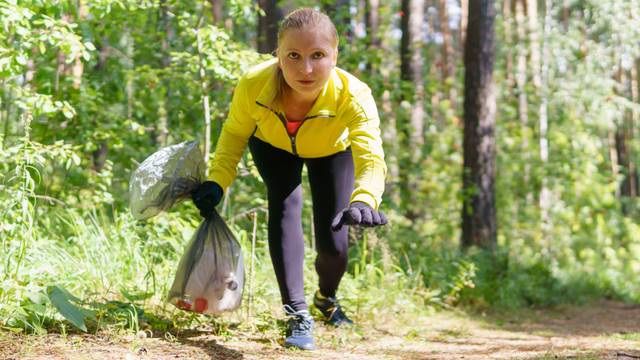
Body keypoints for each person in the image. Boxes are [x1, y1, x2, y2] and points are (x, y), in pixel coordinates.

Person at [191, 8, 387, 351]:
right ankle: (297, 313)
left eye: (318, 56)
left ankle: (326, 299)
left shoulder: (353, 95)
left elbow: (371, 156)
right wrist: (217, 181)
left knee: (335, 243)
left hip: (331, 151)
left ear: (334, 56)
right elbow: (234, 135)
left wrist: (364, 199)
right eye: (293, 55)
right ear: (278, 55)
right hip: (273, 146)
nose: (306, 68)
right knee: (283, 207)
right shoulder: (254, 85)